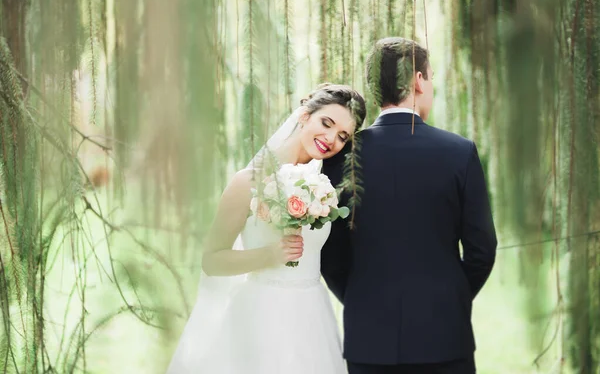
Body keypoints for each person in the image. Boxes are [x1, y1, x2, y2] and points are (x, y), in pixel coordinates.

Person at [321, 37, 498, 374]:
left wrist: (363, 299)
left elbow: (331, 257)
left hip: (369, 341)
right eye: (430, 77)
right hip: (445, 339)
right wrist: (450, 300)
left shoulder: (342, 158)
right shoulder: (460, 153)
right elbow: (482, 250)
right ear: (418, 80)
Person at [165, 84, 367, 374]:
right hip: (260, 317)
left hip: (311, 319)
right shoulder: (248, 181)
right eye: (326, 123)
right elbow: (212, 259)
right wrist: (270, 255)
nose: (331, 139)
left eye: (342, 136)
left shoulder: (327, 188)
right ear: (305, 115)